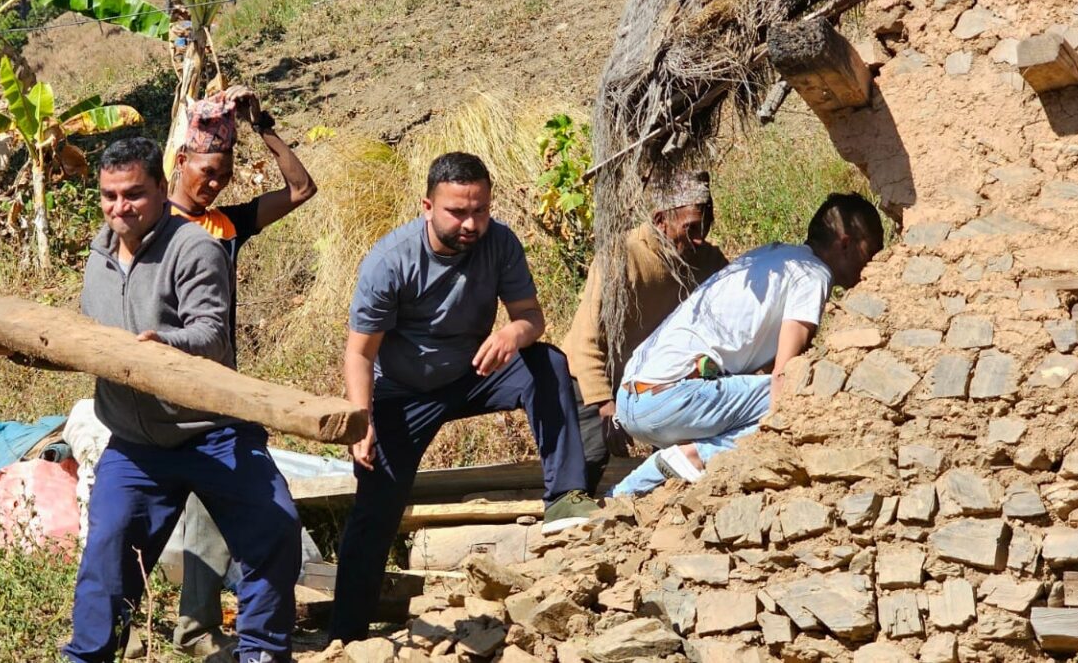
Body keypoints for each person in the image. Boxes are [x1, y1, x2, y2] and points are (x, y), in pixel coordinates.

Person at [0, 138, 301, 663]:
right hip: (137, 445)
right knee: (107, 557)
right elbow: (83, 351)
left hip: (213, 433)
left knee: (274, 528)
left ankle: (260, 653)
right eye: (110, 196)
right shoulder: (98, 258)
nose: (120, 207)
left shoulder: (195, 248)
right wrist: (10, 350)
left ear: (162, 189)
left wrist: (161, 345)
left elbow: (212, 334)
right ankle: (89, 657)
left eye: (134, 194)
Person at [329, 152, 600, 642]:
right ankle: (347, 637)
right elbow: (359, 353)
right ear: (427, 207)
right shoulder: (391, 262)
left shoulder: (500, 243)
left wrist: (513, 334)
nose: (471, 224)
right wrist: (360, 421)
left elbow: (531, 318)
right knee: (375, 511)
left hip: (475, 373)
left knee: (547, 364)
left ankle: (565, 498)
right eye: (457, 212)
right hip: (401, 395)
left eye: (480, 210)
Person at [166, 85, 318, 659]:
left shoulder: (225, 226)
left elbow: (301, 189)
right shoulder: (150, 222)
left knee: (214, 506)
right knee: (137, 514)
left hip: (218, 391)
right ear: (182, 160)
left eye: (224, 176)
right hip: (159, 388)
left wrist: (264, 127)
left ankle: (199, 629)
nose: (215, 184)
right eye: (207, 172)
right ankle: (129, 627)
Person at [610, 192, 884, 497]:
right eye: (873, 250)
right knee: (808, 396)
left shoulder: (772, 257)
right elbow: (784, 376)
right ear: (845, 243)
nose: (875, 263)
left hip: (632, 399)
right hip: (670, 398)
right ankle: (697, 455)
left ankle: (620, 495)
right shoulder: (813, 274)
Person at [562, 171, 728, 494]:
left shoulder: (707, 260)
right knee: (590, 457)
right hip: (592, 378)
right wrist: (605, 406)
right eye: (691, 228)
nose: (700, 238)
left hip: (653, 380)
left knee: (677, 459)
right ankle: (571, 510)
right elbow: (586, 342)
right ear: (661, 220)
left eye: (706, 226)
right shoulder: (621, 257)